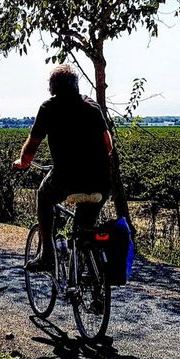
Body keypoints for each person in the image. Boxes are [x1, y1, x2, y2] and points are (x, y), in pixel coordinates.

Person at [12, 65, 115, 272]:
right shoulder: (92, 106)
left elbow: (32, 146)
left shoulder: (49, 108)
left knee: (43, 196)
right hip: (101, 181)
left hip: (66, 178)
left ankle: (47, 255)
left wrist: (23, 162)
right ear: (76, 85)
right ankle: (92, 284)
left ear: (52, 88)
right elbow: (108, 144)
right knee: (84, 230)